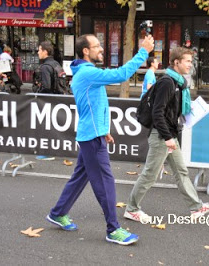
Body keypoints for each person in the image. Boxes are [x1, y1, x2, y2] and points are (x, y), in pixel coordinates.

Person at [46, 33, 154, 246]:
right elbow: (122, 74)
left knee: (80, 177)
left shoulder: (85, 73)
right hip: (91, 138)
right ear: (86, 51)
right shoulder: (87, 73)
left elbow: (96, 104)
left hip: (93, 134)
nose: (101, 49)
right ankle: (113, 230)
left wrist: (104, 129)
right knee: (105, 182)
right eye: (97, 46)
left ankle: (58, 213)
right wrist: (144, 51)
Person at [125, 47, 209, 223]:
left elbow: (169, 111)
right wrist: (168, 138)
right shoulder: (167, 83)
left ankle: (196, 208)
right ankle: (131, 209)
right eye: (188, 61)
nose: (191, 64)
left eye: (191, 61)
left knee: (181, 171)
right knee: (150, 175)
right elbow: (157, 113)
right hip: (162, 136)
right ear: (176, 62)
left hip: (169, 134)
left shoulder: (178, 83)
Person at [35, 41, 64, 160]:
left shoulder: (45, 67)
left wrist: (37, 95)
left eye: (39, 50)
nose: (38, 52)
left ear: (45, 52)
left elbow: (46, 86)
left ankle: (47, 153)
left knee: (46, 127)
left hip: (48, 101)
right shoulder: (56, 64)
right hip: (58, 99)